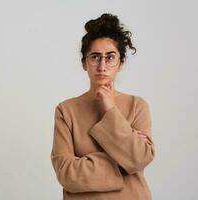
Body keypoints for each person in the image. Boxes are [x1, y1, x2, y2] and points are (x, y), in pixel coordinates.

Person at [50, 13, 155, 200]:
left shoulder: (137, 106)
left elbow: (140, 158)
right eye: (95, 57)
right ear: (84, 63)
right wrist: (123, 162)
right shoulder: (66, 110)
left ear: (120, 64)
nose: (102, 66)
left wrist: (110, 110)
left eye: (110, 57)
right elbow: (66, 173)